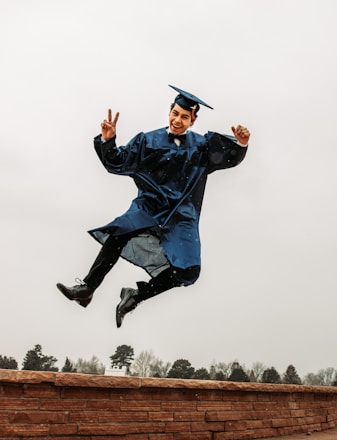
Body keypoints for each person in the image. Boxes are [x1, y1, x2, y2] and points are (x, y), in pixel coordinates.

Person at [57, 85, 250, 328]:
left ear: (193, 120)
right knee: (119, 232)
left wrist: (241, 145)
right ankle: (87, 288)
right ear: (169, 111)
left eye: (184, 117)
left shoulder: (201, 147)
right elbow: (116, 162)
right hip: (150, 205)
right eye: (175, 114)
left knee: (188, 271)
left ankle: (135, 296)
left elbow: (228, 158)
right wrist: (108, 141)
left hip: (181, 215)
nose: (178, 120)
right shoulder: (148, 141)